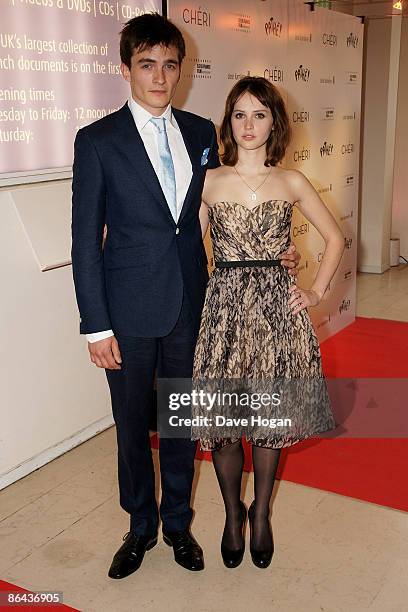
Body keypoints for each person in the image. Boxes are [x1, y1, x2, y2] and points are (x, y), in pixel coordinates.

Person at [71, 14, 300, 578]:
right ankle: (139, 526)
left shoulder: (201, 134)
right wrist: (95, 325)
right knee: (130, 424)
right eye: (147, 64)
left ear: (180, 70)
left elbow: (232, 209)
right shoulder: (98, 140)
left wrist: (281, 255)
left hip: (192, 307)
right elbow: (83, 239)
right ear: (126, 69)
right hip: (126, 308)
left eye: (170, 65)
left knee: (178, 421)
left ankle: (177, 522)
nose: (159, 76)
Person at [193, 76, 344, 570]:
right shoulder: (211, 181)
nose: (249, 124)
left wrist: (316, 291)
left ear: (274, 122)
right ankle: (233, 511)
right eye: (239, 114)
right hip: (224, 311)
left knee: (268, 420)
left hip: (279, 313)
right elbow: (190, 251)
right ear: (228, 121)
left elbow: (337, 239)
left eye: (259, 114)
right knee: (222, 425)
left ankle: (261, 514)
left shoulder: (291, 180)